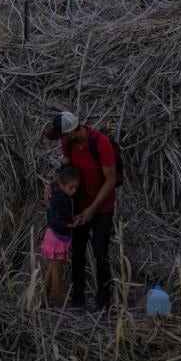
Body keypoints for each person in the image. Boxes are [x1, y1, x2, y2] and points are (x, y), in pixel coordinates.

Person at [44, 111, 118, 310]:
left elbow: (110, 181)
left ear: (70, 133)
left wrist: (92, 209)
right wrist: (52, 185)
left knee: (100, 252)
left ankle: (104, 301)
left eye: (61, 135)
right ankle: (78, 300)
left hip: (102, 207)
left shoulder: (100, 143)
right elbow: (65, 172)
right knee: (77, 253)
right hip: (78, 205)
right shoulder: (67, 144)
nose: (60, 139)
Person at [41, 167, 80, 307]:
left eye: (76, 188)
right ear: (62, 185)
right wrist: (69, 225)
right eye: (71, 188)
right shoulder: (58, 197)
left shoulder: (64, 196)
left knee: (52, 269)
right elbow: (54, 219)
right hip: (57, 237)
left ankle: (43, 298)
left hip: (59, 236)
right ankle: (59, 303)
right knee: (57, 272)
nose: (74, 191)